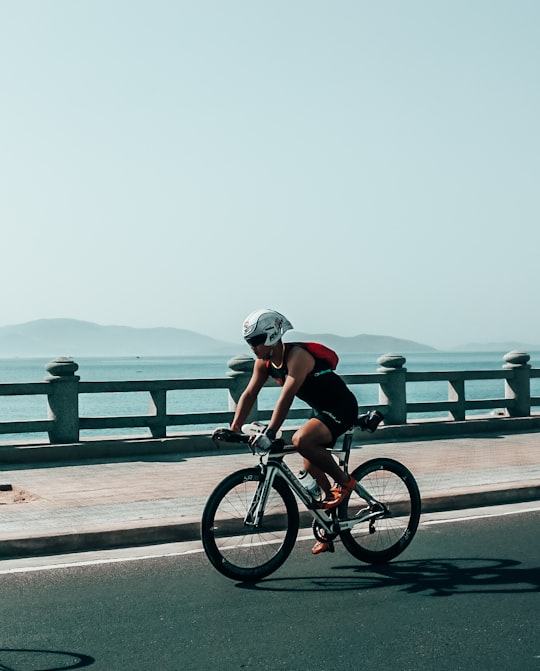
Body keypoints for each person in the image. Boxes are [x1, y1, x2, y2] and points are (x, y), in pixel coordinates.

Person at [227, 308, 359, 554]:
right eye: (248, 342)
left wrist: (271, 432)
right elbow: (249, 393)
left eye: (255, 341)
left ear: (271, 336)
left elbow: (286, 395)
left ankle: (345, 483)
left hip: (342, 408)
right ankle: (328, 527)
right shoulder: (264, 363)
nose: (252, 347)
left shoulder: (297, 356)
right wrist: (234, 428)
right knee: (311, 473)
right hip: (322, 411)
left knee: (301, 440)